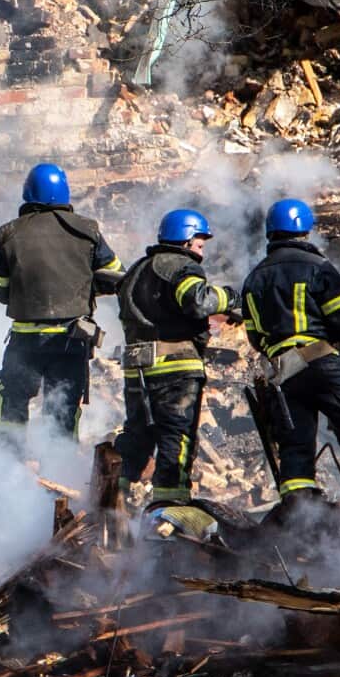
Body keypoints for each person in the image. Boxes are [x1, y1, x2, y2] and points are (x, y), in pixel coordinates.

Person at [240, 198, 340, 502]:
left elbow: (256, 338)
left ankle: (299, 512)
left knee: (295, 442)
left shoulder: (253, 278)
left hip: (282, 372)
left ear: (271, 233)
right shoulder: (319, 268)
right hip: (320, 361)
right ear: (306, 232)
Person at [0, 163, 121, 452]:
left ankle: (6, 464)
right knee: (63, 408)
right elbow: (115, 277)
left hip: (25, 340)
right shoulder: (89, 231)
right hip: (70, 340)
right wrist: (85, 285)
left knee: (13, 402)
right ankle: (59, 472)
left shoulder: (8, 234)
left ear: (28, 193)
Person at [114, 209, 238, 503]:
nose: (202, 251)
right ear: (184, 239)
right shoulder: (180, 266)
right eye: (199, 243)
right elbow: (197, 301)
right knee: (176, 439)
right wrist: (230, 297)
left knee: (138, 436)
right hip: (174, 368)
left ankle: (109, 503)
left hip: (138, 368)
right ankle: (169, 513)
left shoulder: (137, 268)